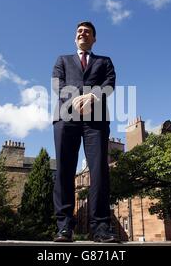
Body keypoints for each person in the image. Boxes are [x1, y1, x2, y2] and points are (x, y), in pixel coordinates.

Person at [52, 21, 118, 243]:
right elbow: (57, 85)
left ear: (94, 38)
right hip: (66, 117)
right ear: (75, 37)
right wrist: (77, 100)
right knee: (65, 169)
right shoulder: (62, 60)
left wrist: (93, 96)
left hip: (96, 120)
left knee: (99, 170)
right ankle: (64, 227)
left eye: (87, 32)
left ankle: (100, 227)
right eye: (79, 31)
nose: (83, 34)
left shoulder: (104, 61)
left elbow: (110, 83)